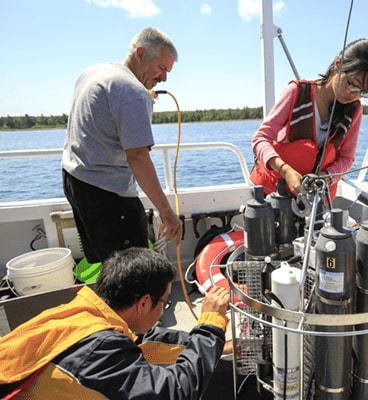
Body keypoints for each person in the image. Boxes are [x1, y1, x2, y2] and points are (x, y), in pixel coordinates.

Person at [0, 247, 230, 399]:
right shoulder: (99, 350)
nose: (164, 309)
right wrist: (211, 325)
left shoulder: (84, 312)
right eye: (165, 302)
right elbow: (175, 392)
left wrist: (211, 344)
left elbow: (140, 339)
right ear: (143, 304)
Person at [62, 27, 183, 265]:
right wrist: (168, 215)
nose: (164, 78)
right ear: (140, 53)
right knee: (131, 272)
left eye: (167, 71)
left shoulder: (94, 72)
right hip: (108, 196)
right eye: (161, 68)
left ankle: (106, 302)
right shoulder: (133, 92)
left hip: (75, 181)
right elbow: (137, 156)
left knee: (104, 263)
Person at [250, 38, 368, 199]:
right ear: (338, 65)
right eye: (352, 84)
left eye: (364, 91)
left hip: (316, 201)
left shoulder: (354, 110)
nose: (355, 95)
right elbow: (260, 139)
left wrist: (328, 176)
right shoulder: (296, 92)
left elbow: (347, 158)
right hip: (272, 194)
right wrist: (285, 170)